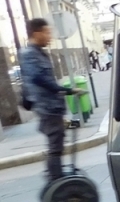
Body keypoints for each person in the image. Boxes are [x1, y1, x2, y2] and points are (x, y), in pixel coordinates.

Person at [18, 19, 82, 184]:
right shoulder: (29, 54)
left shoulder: (38, 53)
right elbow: (38, 78)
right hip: (47, 107)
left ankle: (56, 177)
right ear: (36, 33)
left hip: (51, 106)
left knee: (57, 143)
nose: (50, 36)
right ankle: (56, 181)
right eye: (47, 33)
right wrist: (66, 90)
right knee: (55, 145)